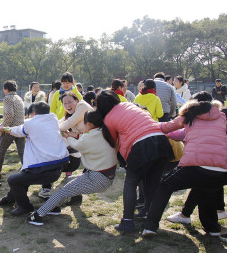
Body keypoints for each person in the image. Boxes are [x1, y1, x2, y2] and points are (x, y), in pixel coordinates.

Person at [142, 92, 227, 237]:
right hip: (223, 170)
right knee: (206, 189)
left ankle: (150, 226)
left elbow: (165, 127)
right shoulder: (222, 117)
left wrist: (147, 124)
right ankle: (213, 230)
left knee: (164, 186)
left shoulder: (189, 116)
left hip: (195, 165)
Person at [96, 90, 174, 231]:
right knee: (152, 184)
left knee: (131, 183)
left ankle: (127, 221)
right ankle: (150, 222)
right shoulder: (130, 105)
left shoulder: (108, 119)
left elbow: (113, 143)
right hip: (161, 141)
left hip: (141, 145)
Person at [27, 110, 118, 225]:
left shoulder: (88, 138)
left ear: (89, 124)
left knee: (62, 191)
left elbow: (77, 144)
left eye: (83, 123)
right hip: (105, 176)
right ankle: (54, 208)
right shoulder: (105, 132)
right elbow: (85, 137)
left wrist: (66, 136)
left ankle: (38, 215)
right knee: (68, 180)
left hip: (97, 178)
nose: (82, 126)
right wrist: (71, 135)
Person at [0, 102, 69, 216]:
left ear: (33, 113)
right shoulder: (53, 119)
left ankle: (25, 206)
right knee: (22, 175)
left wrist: (4, 129)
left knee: (13, 180)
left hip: (43, 170)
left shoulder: (31, 123)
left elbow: (17, 131)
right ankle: (10, 199)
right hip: (57, 167)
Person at [0, 80, 25, 179]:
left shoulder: (8, 98)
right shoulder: (19, 98)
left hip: (10, 129)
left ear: (5, 89)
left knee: (1, 150)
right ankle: (26, 169)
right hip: (20, 128)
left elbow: (9, 115)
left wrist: (3, 128)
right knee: (22, 151)